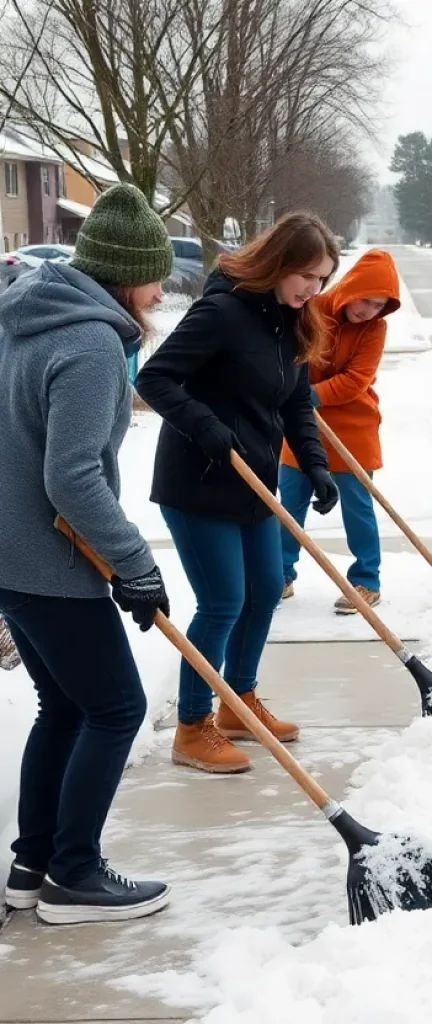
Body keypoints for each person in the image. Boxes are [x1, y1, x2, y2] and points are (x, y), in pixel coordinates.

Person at [0, 183, 173, 924]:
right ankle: (75, 874)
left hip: (12, 557)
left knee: (64, 706)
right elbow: (70, 475)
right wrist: (136, 564)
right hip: (52, 561)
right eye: (157, 275)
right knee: (115, 707)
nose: (165, 290)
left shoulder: (24, 322)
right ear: (130, 275)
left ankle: (32, 864)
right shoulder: (93, 342)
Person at [135, 213, 340, 775]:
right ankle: (191, 726)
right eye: (306, 275)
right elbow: (153, 378)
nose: (313, 289)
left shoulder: (291, 322)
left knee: (266, 589)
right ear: (278, 263)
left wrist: (317, 466)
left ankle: (237, 702)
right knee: (223, 600)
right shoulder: (222, 313)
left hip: (253, 480)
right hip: (199, 481)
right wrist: (203, 425)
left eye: (322, 279)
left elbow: (297, 402)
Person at [279, 249, 399, 613]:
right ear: (352, 288)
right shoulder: (311, 308)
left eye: (379, 306)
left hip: (353, 425)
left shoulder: (375, 328)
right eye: (366, 300)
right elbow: (290, 356)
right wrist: (294, 398)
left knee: (357, 506)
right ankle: (280, 575)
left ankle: (365, 580)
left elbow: (355, 380)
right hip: (301, 425)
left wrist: (306, 395)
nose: (369, 311)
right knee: (290, 501)